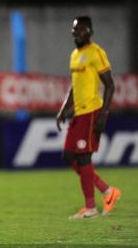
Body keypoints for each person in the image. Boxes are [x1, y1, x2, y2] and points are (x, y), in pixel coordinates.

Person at [56, 16, 121, 219]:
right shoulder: (75, 55)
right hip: (78, 112)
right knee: (68, 155)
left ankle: (90, 208)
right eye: (75, 29)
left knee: (84, 158)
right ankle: (108, 191)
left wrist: (104, 114)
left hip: (92, 111)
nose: (78, 32)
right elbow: (75, 87)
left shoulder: (96, 52)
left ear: (90, 31)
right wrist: (63, 109)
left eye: (82, 29)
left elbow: (110, 85)